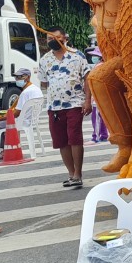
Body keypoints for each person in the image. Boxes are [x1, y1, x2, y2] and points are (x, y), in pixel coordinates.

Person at [39, 26, 92, 188]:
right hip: (54, 107)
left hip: (75, 103)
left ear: (64, 38)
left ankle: (78, 174)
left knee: (74, 138)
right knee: (61, 141)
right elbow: (44, 83)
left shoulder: (77, 56)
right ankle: (71, 173)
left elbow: (88, 78)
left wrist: (88, 100)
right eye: (49, 39)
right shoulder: (45, 60)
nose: (52, 41)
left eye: (56, 38)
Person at [0, 67, 43, 136]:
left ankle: (2, 143)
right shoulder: (37, 89)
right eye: (16, 77)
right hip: (31, 121)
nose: (17, 79)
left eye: (20, 77)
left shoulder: (25, 93)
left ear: (28, 77)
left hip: (21, 122)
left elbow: (16, 114)